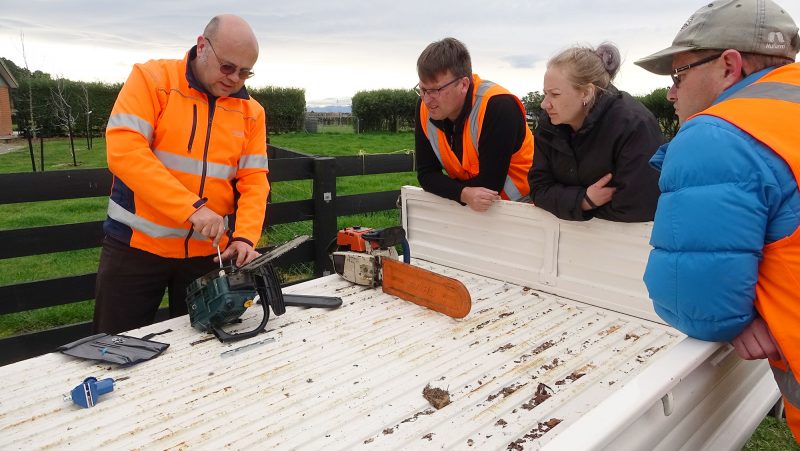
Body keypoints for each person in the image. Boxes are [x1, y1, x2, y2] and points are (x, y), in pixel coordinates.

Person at [636, 0, 800, 442]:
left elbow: (692, 298)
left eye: (679, 74)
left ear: (729, 66)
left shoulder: (719, 132)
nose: (672, 93)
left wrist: (736, 317)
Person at [93, 14, 270, 334]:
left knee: (203, 350)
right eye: (227, 67)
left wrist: (245, 237)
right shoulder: (151, 80)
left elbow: (254, 180)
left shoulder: (252, 113)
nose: (235, 79)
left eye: (245, 72)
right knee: (115, 347)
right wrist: (192, 209)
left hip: (207, 257)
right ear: (202, 46)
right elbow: (125, 151)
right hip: (135, 249)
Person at [529, 43, 663, 222]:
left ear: (586, 93)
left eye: (555, 94)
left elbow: (637, 206)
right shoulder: (549, 126)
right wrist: (583, 201)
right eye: (545, 94)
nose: (544, 104)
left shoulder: (634, 124)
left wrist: (564, 205)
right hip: (563, 241)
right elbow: (538, 189)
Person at [414, 37, 534, 212]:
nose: (427, 99)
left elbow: (489, 186)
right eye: (422, 89)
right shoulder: (425, 107)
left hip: (524, 207)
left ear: (463, 84)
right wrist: (463, 193)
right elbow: (426, 174)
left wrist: (454, 190)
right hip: (472, 207)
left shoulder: (498, 106)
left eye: (436, 90)